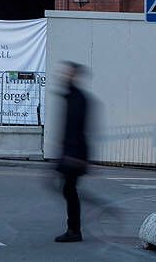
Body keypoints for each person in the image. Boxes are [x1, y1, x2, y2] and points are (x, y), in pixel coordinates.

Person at [55, 62, 94, 243]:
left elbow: (77, 129)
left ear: (75, 76)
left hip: (74, 154)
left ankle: (74, 230)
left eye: (68, 73)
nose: (64, 76)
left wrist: (74, 156)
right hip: (71, 152)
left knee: (69, 190)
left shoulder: (78, 98)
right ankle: (73, 229)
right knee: (68, 189)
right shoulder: (71, 96)